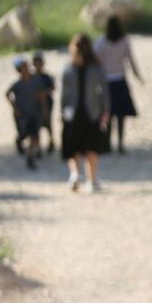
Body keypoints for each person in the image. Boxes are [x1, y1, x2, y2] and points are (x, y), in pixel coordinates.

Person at [59, 33, 111, 193]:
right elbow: (104, 92)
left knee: (73, 146)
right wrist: (106, 110)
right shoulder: (97, 68)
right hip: (92, 112)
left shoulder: (68, 69)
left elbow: (64, 94)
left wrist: (62, 111)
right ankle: (91, 180)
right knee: (92, 148)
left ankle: (75, 174)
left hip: (72, 112)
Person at [94, 15, 143, 153]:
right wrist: (138, 75)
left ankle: (108, 144)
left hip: (106, 81)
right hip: (120, 81)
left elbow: (95, 62)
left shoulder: (100, 43)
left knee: (108, 113)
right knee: (121, 115)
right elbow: (131, 60)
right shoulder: (124, 42)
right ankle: (120, 143)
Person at [5, 57, 43, 170]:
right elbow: (7, 94)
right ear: (19, 71)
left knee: (33, 135)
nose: (26, 69)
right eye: (23, 68)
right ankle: (19, 141)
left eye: (26, 67)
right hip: (22, 115)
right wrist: (15, 108)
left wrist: (43, 109)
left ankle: (31, 156)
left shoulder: (35, 81)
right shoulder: (18, 84)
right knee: (23, 134)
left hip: (34, 113)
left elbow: (40, 94)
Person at [31, 52, 56, 154]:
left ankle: (51, 141)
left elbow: (52, 88)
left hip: (47, 103)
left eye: (40, 63)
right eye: (36, 63)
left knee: (48, 123)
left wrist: (44, 93)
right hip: (35, 104)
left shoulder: (47, 77)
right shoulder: (31, 77)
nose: (38, 65)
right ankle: (38, 146)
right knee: (36, 125)